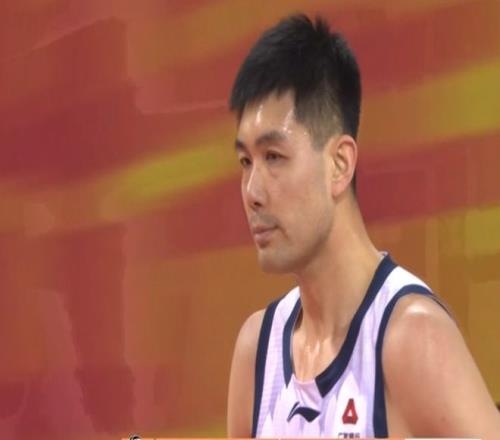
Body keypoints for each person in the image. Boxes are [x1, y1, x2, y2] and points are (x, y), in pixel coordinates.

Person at [226, 13, 500, 439]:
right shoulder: (256, 351)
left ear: (340, 164)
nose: (252, 191)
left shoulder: (412, 339)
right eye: (246, 161)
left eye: (274, 157)